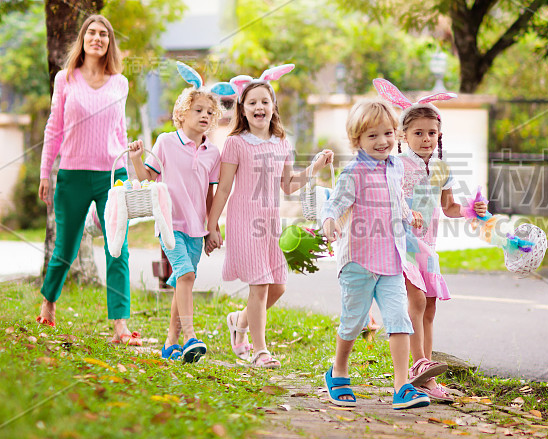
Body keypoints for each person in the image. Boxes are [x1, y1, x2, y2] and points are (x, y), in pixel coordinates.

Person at [205, 65, 333, 367]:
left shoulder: (282, 143)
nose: (259, 106)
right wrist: (213, 226)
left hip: (269, 223)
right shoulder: (235, 143)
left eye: (265, 101)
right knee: (260, 285)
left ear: (273, 106)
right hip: (242, 220)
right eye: (252, 102)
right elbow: (223, 190)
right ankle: (261, 351)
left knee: (278, 285)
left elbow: (288, 185)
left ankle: (239, 320)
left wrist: (314, 168)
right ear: (243, 109)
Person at [374, 78, 487, 402]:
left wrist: (471, 210)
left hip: (428, 245)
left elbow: (448, 207)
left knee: (430, 307)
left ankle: (425, 377)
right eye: (418, 133)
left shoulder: (441, 169)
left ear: (439, 136)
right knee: (418, 300)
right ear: (403, 135)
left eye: (431, 133)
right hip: (401, 239)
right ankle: (419, 364)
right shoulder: (395, 165)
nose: (425, 138)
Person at [320, 98, 430, 410]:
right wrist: (328, 221)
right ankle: (338, 371)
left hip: (392, 261)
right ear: (357, 141)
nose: (382, 141)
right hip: (359, 261)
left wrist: (409, 215)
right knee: (353, 322)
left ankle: (401, 386)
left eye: (387, 134)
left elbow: (397, 198)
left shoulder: (395, 168)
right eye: (372, 136)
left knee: (399, 319)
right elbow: (336, 203)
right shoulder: (353, 172)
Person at [37, 14, 140, 345]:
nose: (97, 38)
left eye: (104, 34)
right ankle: (48, 302)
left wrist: (129, 156)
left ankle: (120, 325)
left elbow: (119, 130)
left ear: (110, 43)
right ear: (82, 39)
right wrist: (45, 173)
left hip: (112, 174)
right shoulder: (65, 79)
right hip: (73, 174)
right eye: (92, 33)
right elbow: (54, 128)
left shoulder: (120, 83)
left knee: (117, 248)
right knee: (65, 246)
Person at [128, 62, 225, 362]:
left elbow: (210, 192)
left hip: (197, 227)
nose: (205, 116)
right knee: (185, 274)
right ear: (182, 113)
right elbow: (146, 177)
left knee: (186, 280)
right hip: (170, 224)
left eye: (209, 112)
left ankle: (170, 343)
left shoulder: (213, 152)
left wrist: (213, 227)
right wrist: (135, 159)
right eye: (198, 110)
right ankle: (189, 337)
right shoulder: (166, 142)